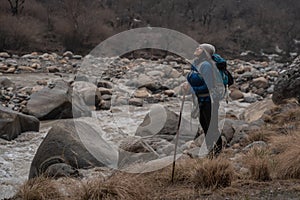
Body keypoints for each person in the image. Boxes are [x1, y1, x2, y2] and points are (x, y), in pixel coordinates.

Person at [184, 43, 225, 157]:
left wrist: (191, 89)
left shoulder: (206, 65)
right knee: (205, 126)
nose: (197, 48)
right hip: (201, 101)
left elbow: (208, 86)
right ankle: (210, 152)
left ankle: (216, 154)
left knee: (211, 128)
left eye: (200, 48)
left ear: (205, 52)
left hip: (209, 102)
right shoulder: (197, 64)